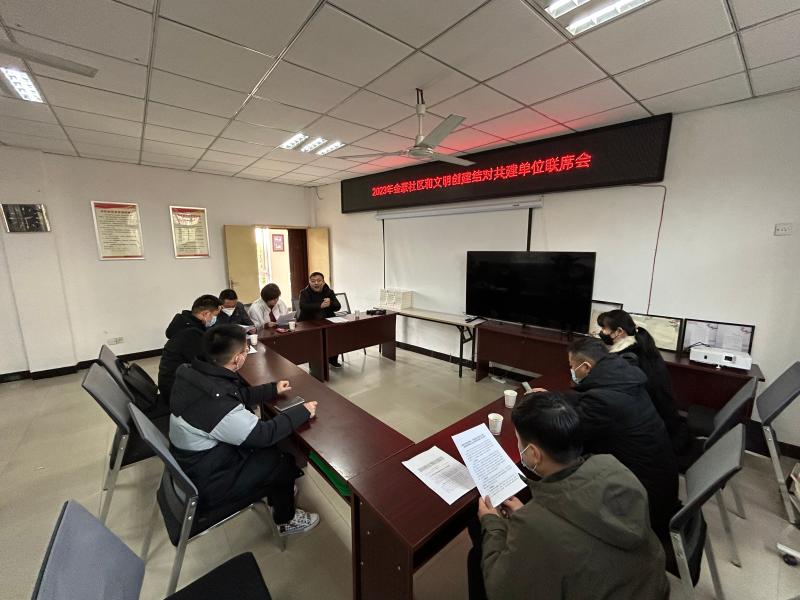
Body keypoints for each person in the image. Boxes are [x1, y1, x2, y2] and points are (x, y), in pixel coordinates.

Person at [468, 392, 670, 600]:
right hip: (651, 588)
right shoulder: (615, 469)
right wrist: (528, 514)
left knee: (477, 556)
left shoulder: (535, 525)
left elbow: (501, 590)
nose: (519, 447)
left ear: (534, 453)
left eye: (519, 441)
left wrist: (493, 523)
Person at [169, 324, 320, 535]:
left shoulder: (194, 373)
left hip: (195, 461)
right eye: (246, 350)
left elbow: (235, 395)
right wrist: (302, 411)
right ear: (237, 358)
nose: (247, 353)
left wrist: (271, 389)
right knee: (282, 462)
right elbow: (264, 435)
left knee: (271, 453)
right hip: (210, 479)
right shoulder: (217, 403)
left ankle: (279, 490)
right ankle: (286, 520)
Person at [534, 337, 679, 540]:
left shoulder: (605, 401)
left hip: (642, 503)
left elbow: (568, 433)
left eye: (571, 366)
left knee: (555, 460)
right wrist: (554, 398)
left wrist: (542, 411)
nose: (571, 370)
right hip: (657, 480)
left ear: (586, 367)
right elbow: (586, 400)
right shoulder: (621, 377)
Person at [597, 309, 690, 454]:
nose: (601, 332)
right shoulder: (643, 347)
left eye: (604, 328)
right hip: (663, 419)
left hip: (647, 430)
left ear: (619, 331)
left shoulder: (627, 358)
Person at [157, 294, 221, 404]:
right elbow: (207, 362)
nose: (215, 319)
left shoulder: (185, 323)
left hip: (173, 382)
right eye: (215, 316)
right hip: (176, 391)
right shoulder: (190, 333)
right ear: (205, 314)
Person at [298, 272, 343, 368]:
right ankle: (316, 364)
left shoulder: (329, 291)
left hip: (327, 321)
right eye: (313, 281)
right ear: (309, 282)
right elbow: (303, 306)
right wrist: (320, 305)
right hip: (309, 322)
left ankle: (332, 360)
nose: (316, 283)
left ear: (323, 282)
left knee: (335, 335)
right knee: (315, 341)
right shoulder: (304, 292)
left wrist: (330, 303)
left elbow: (338, 306)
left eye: (319, 280)